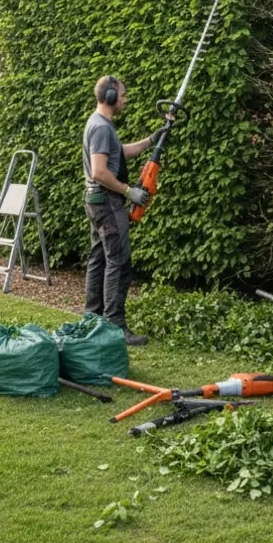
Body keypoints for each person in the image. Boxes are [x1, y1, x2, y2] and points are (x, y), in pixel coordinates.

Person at [82, 74, 168, 346]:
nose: (125, 99)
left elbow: (120, 152)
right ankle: (115, 326)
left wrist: (151, 140)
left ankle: (92, 319)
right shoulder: (102, 128)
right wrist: (128, 191)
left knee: (99, 259)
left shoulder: (99, 125)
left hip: (97, 202)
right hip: (107, 202)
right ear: (108, 97)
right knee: (118, 261)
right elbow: (98, 171)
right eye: (122, 94)